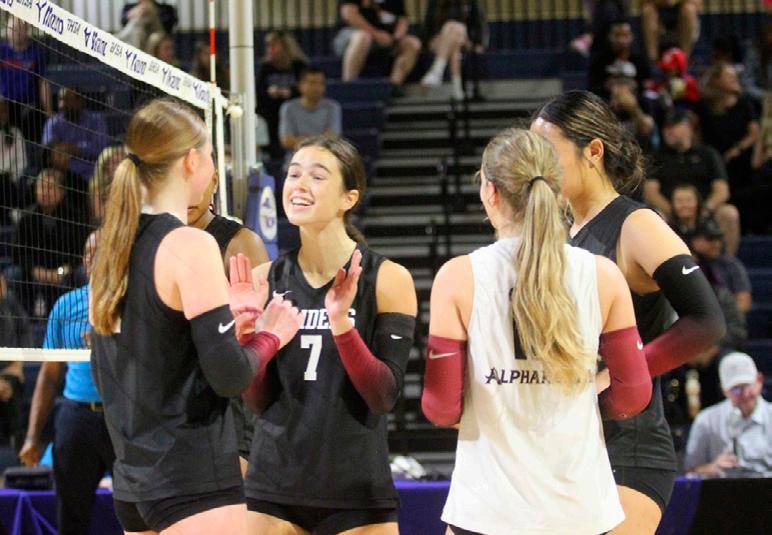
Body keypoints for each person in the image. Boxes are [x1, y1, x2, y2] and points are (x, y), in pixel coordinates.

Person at [422, 128, 652, 534]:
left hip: (489, 507)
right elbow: (633, 395)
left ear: (490, 192)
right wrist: (573, 400)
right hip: (580, 509)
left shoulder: (458, 277)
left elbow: (442, 408)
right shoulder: (602, 275)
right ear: (557, 190)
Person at [88, 98, 303, 534]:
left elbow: (145, 359)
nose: (213, 166)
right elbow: (229, 377)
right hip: (191, 478)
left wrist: (229, 327)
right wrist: (270, 335)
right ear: (191, 161)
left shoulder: (111, 246)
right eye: (209, 155)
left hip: (133, 483)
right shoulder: (191, 244)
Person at [531, 90, 725, 534]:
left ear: (593, 151)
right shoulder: (559, 234)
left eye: (548, 152)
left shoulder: (637, 224)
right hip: (568, 445)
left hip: (628, 446)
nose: (538, 167)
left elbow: (706, 320)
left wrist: (622, 374)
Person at [236, 135, 416, 534]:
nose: (299, 185)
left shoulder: (388, 279)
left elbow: (382, 397)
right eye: (293, 174)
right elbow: (258, 402)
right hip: (274, 488)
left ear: (349, 198)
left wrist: (341, 323)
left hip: (357, 492)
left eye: (317, 177)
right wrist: (249, 340)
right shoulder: (265, 280)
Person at [18, 231, 117, 535]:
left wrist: (109, 347)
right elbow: (49, 375)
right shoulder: (66, 305)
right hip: (77, 417)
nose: (92, 259)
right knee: (70, 518)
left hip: (122, 416)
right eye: (88, 253)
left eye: (100, 252)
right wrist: (32, 437)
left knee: (139, 514)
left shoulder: (132, 303)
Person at [188, 171, 270, 473]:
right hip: (175, 406)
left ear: (213, 182)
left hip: (229, 407)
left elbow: (265, 335)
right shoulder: (153, 243)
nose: (189, 196)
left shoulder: (240, 243)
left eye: (197, 183)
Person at [645, 110, 740, 256]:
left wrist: (704, 210)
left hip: (704, 211)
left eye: (674, 126)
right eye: (666, 127)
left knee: (729, 213)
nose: (668, 131)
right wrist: (674, 210)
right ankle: (661, 264)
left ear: (689, 128)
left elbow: (722, 190)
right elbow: (650, 192)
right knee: (655, 216)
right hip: (670, 212)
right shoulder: (657, 157)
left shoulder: (708, 154)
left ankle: (725, 262)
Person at [10, 168, 83, 318]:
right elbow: (17, 253)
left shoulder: (74, 218)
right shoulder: (26, 218)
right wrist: (36, 270)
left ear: (62, 192)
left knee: (81, 274)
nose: (45, 192)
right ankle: (22, 321)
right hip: (33, 272)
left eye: (50, 188)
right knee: (13, 274)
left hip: (63, 272)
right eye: (41, 187)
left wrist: (60, 272)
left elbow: (79, 254)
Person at [684, 352, 770, 477]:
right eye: (736, 390)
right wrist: (712, 467)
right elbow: (689, 473)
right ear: (724, 390)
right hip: (725, 487)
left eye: (748, 385)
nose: (745, 394)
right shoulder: (706, 421)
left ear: (759, 380)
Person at [695, 63, 761, 197]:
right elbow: (697, 133)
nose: (734, 79)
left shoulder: (745, 102)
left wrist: (737, 149)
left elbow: (754, 133)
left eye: (735, 76)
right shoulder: (703, 105)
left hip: (741, 158)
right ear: (717, 80)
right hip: (713, 157)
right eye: (729, 76)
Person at [334, 0, 422, 95]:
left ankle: (393, 85)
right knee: (363, 37)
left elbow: (402, 19)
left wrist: (396, 37)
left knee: (413, 43)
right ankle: (349, 84)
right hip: (351, 36)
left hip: (385, 39)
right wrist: (376, 35)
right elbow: (349, 14)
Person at [420, 0, 488, 101]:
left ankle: (437, 71)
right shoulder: (434, 2)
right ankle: (457, 91)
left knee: (453, 26)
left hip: (465, 40)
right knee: (455, 49)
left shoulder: (470, 2)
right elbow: (427, 25)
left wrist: (479, 43)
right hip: (440, 40)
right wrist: (431, 39)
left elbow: (479, 23)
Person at [256, 31, 308, 160]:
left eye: (273, 46)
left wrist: (289, 92)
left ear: (286, 47)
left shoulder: (299, 66)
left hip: (295, 110)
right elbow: (259, 91)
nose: (270, 50)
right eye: (268, 46)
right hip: (271, 112)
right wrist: (270, 92)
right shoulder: (265, 67)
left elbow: (305, 89)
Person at [0, 17, 53, 142]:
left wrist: (48, 110)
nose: (16, 32)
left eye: (20, 29)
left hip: (29, 105)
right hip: (5, 104)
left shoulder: (36, 52)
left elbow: (43, 82)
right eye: (12, 28)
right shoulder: (1, 51)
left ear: (26, 30)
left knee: (34, 119)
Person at [42, 88, 109, 181]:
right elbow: (49, 149)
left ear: (81, 101)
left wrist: (76, 149)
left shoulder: (96, 120)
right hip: (62, 175)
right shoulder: (53, 122)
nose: (63, 105)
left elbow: (100, 148)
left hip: (91, 174)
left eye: (68, 100)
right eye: (61, 100)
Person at [279, 67, 342, 155]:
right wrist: (320, 139)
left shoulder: (333, 107)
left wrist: (300, 139)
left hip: (324, 156)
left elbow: (332, 138)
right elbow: (287, 141)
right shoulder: (288, 108)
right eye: (312, 83)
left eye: (321, 83)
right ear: (300, 85)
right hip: (296, 157)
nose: (317, 88)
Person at [588, 19, 651, 101]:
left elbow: (646, 86)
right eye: (617, 35)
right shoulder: (599, 62)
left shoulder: (640, 61)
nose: (621, 40)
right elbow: (593, 88)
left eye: (625, 35)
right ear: (609, 37)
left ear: (632, 37)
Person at [0, 97, 27, 225]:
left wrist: (12, 175)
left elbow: (22, 162)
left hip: (10, 181)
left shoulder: (15, 133)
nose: (2, 114)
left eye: (4, 111)